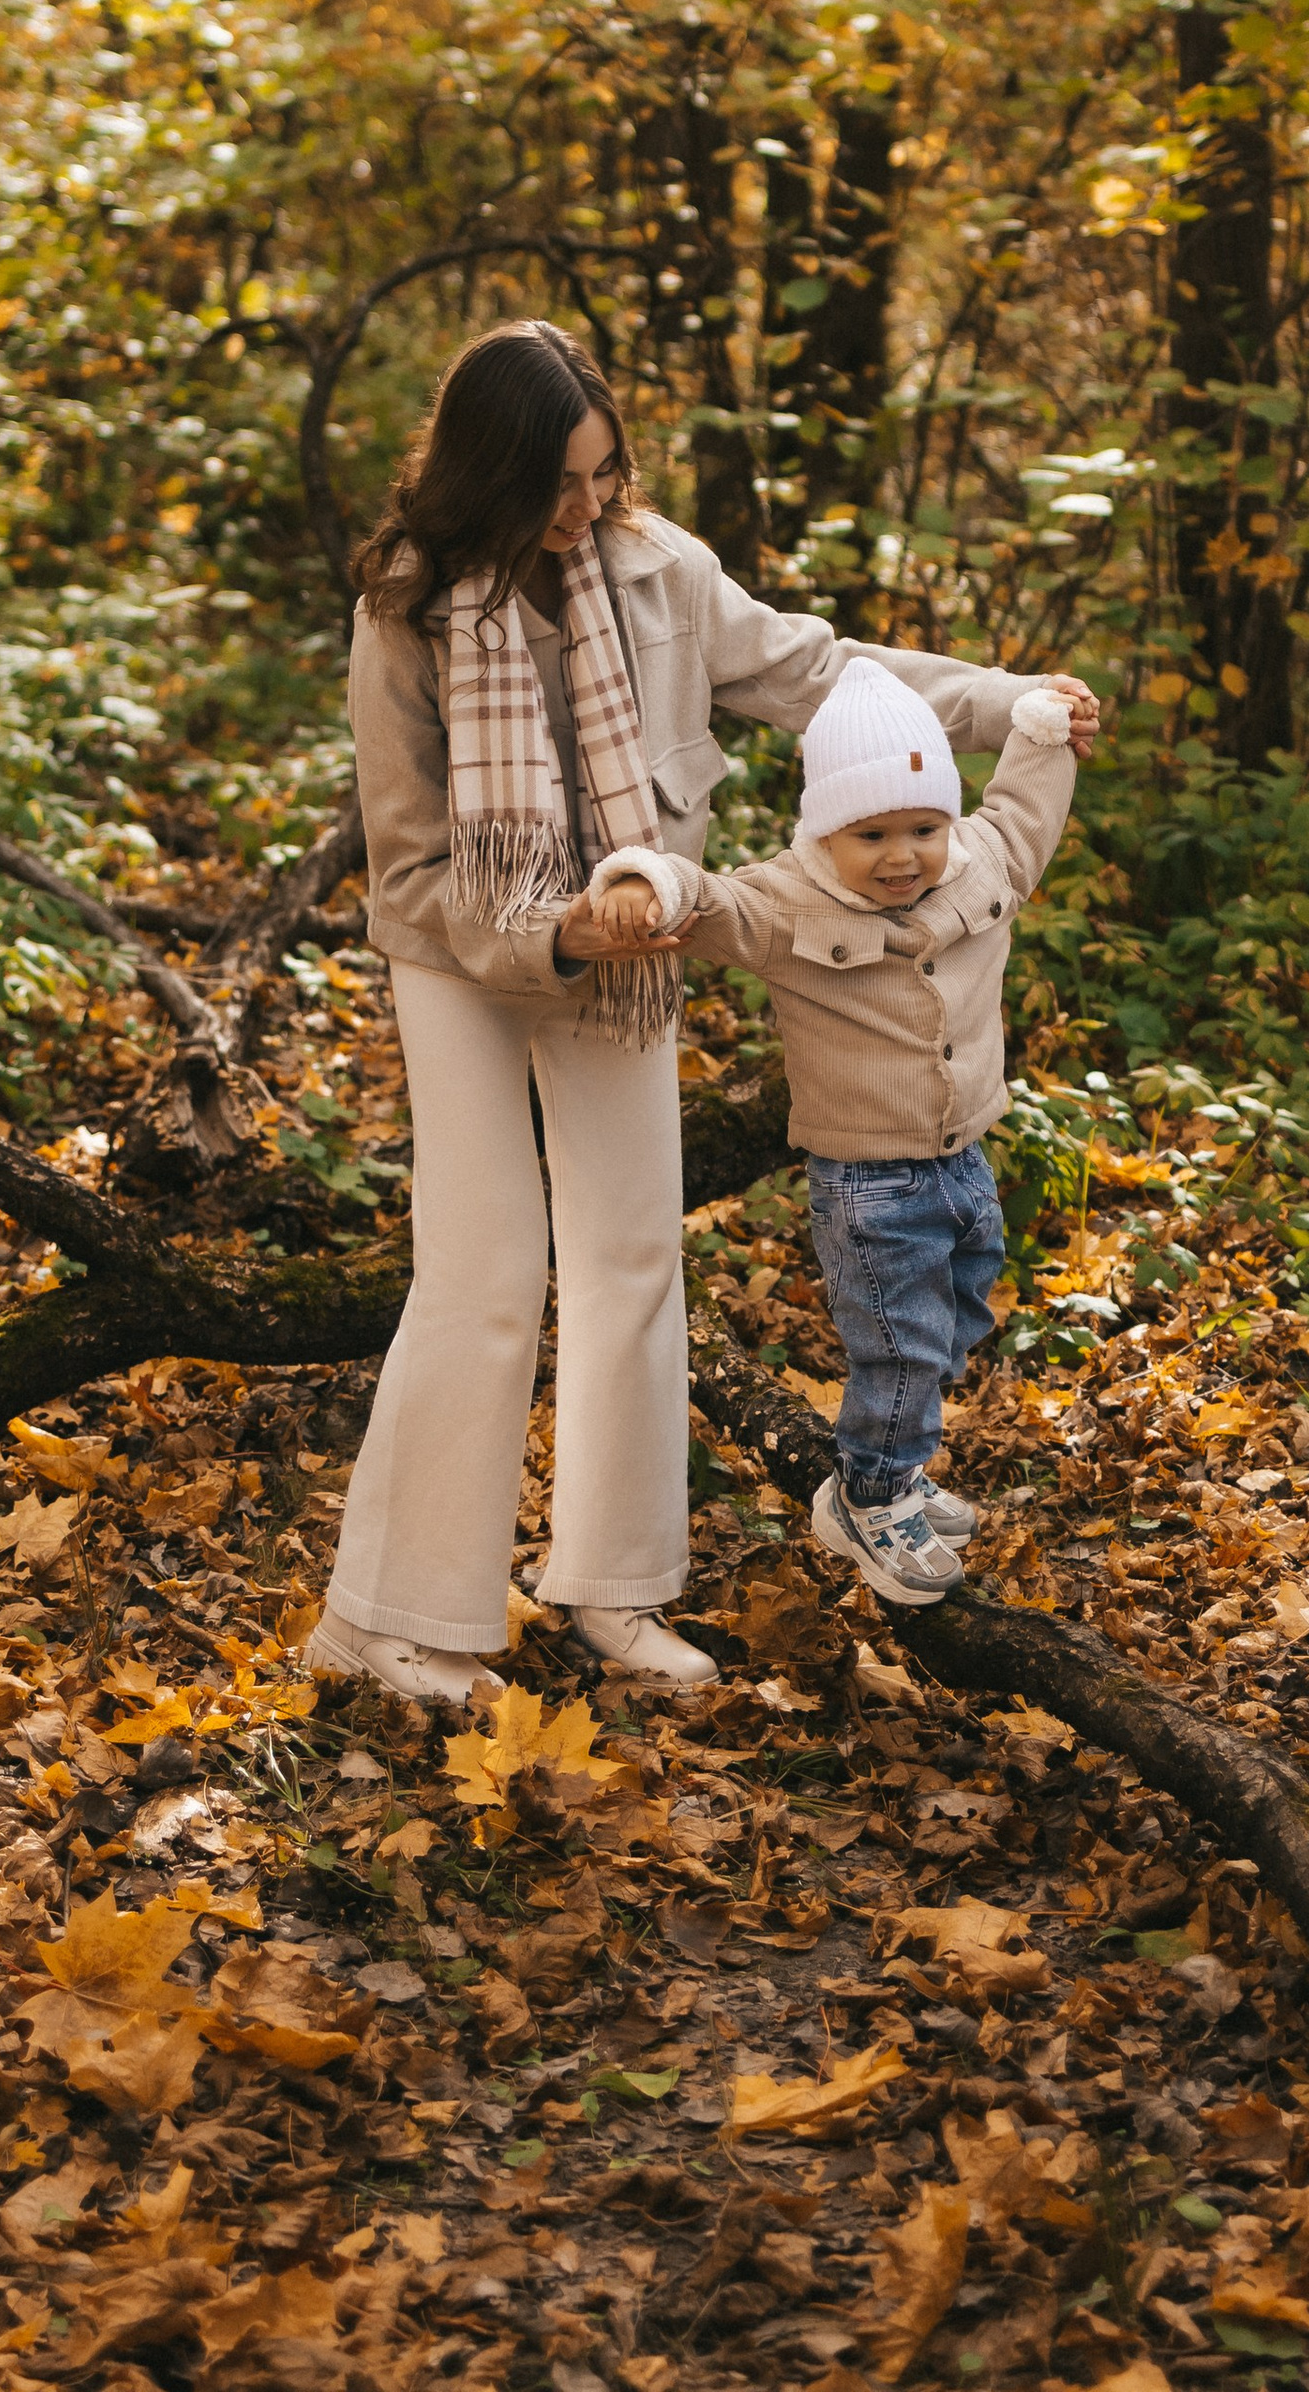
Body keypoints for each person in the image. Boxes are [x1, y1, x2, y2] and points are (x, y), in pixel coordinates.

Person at [307, 317, 1096, 1708]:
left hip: (635, 944)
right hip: (468, 954)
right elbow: (411, 868)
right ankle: (389, 1618)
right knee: (486, 1277)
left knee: (629, 1263)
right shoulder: (405, 615)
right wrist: (553, 928)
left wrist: (1010, 704)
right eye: (556, 486)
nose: (588, 509)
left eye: (603, 475)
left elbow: (826, 674)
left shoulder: (661, 574)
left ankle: (613, 1589)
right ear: (485, 478)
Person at [575, 659, 1089, 1602]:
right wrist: (644, 880)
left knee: (959, 1318)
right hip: (868, 1184)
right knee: (898, 1343)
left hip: (964, 1156)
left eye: (923, 828)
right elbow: (712, 899)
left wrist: (1043, 726)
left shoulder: (984, 865)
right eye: (873, 834)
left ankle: (897, 1464)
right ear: (825, 831)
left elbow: (1024, 806)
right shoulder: (788, 904)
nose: (903, 855)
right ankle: (868, 1494)